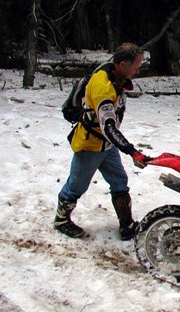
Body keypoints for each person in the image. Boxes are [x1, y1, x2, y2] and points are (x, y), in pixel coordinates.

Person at [55, 42, 148, 240]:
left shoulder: (115, 73)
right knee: (76, 186)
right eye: (136, 65)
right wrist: (132, 151)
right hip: (90, 145)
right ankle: (61, 220)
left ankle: (127, 224)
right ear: (123, 64)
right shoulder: (103, 87)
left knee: (119, 181)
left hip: (107, 145)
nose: (138, 70)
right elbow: (108, 127)